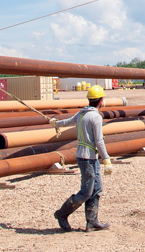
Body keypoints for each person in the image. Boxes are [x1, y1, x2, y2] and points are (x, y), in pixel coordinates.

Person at [50, 85, 113, 232]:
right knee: (86, 191)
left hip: (88, 157)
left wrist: (55, 123)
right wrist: (107, 159)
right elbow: (99, 141)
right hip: (87, 159)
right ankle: (62, 214)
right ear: (101, 101)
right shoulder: (96, 117)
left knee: (97, 188)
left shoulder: (82, 113)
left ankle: (92, 221)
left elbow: (67, 122)